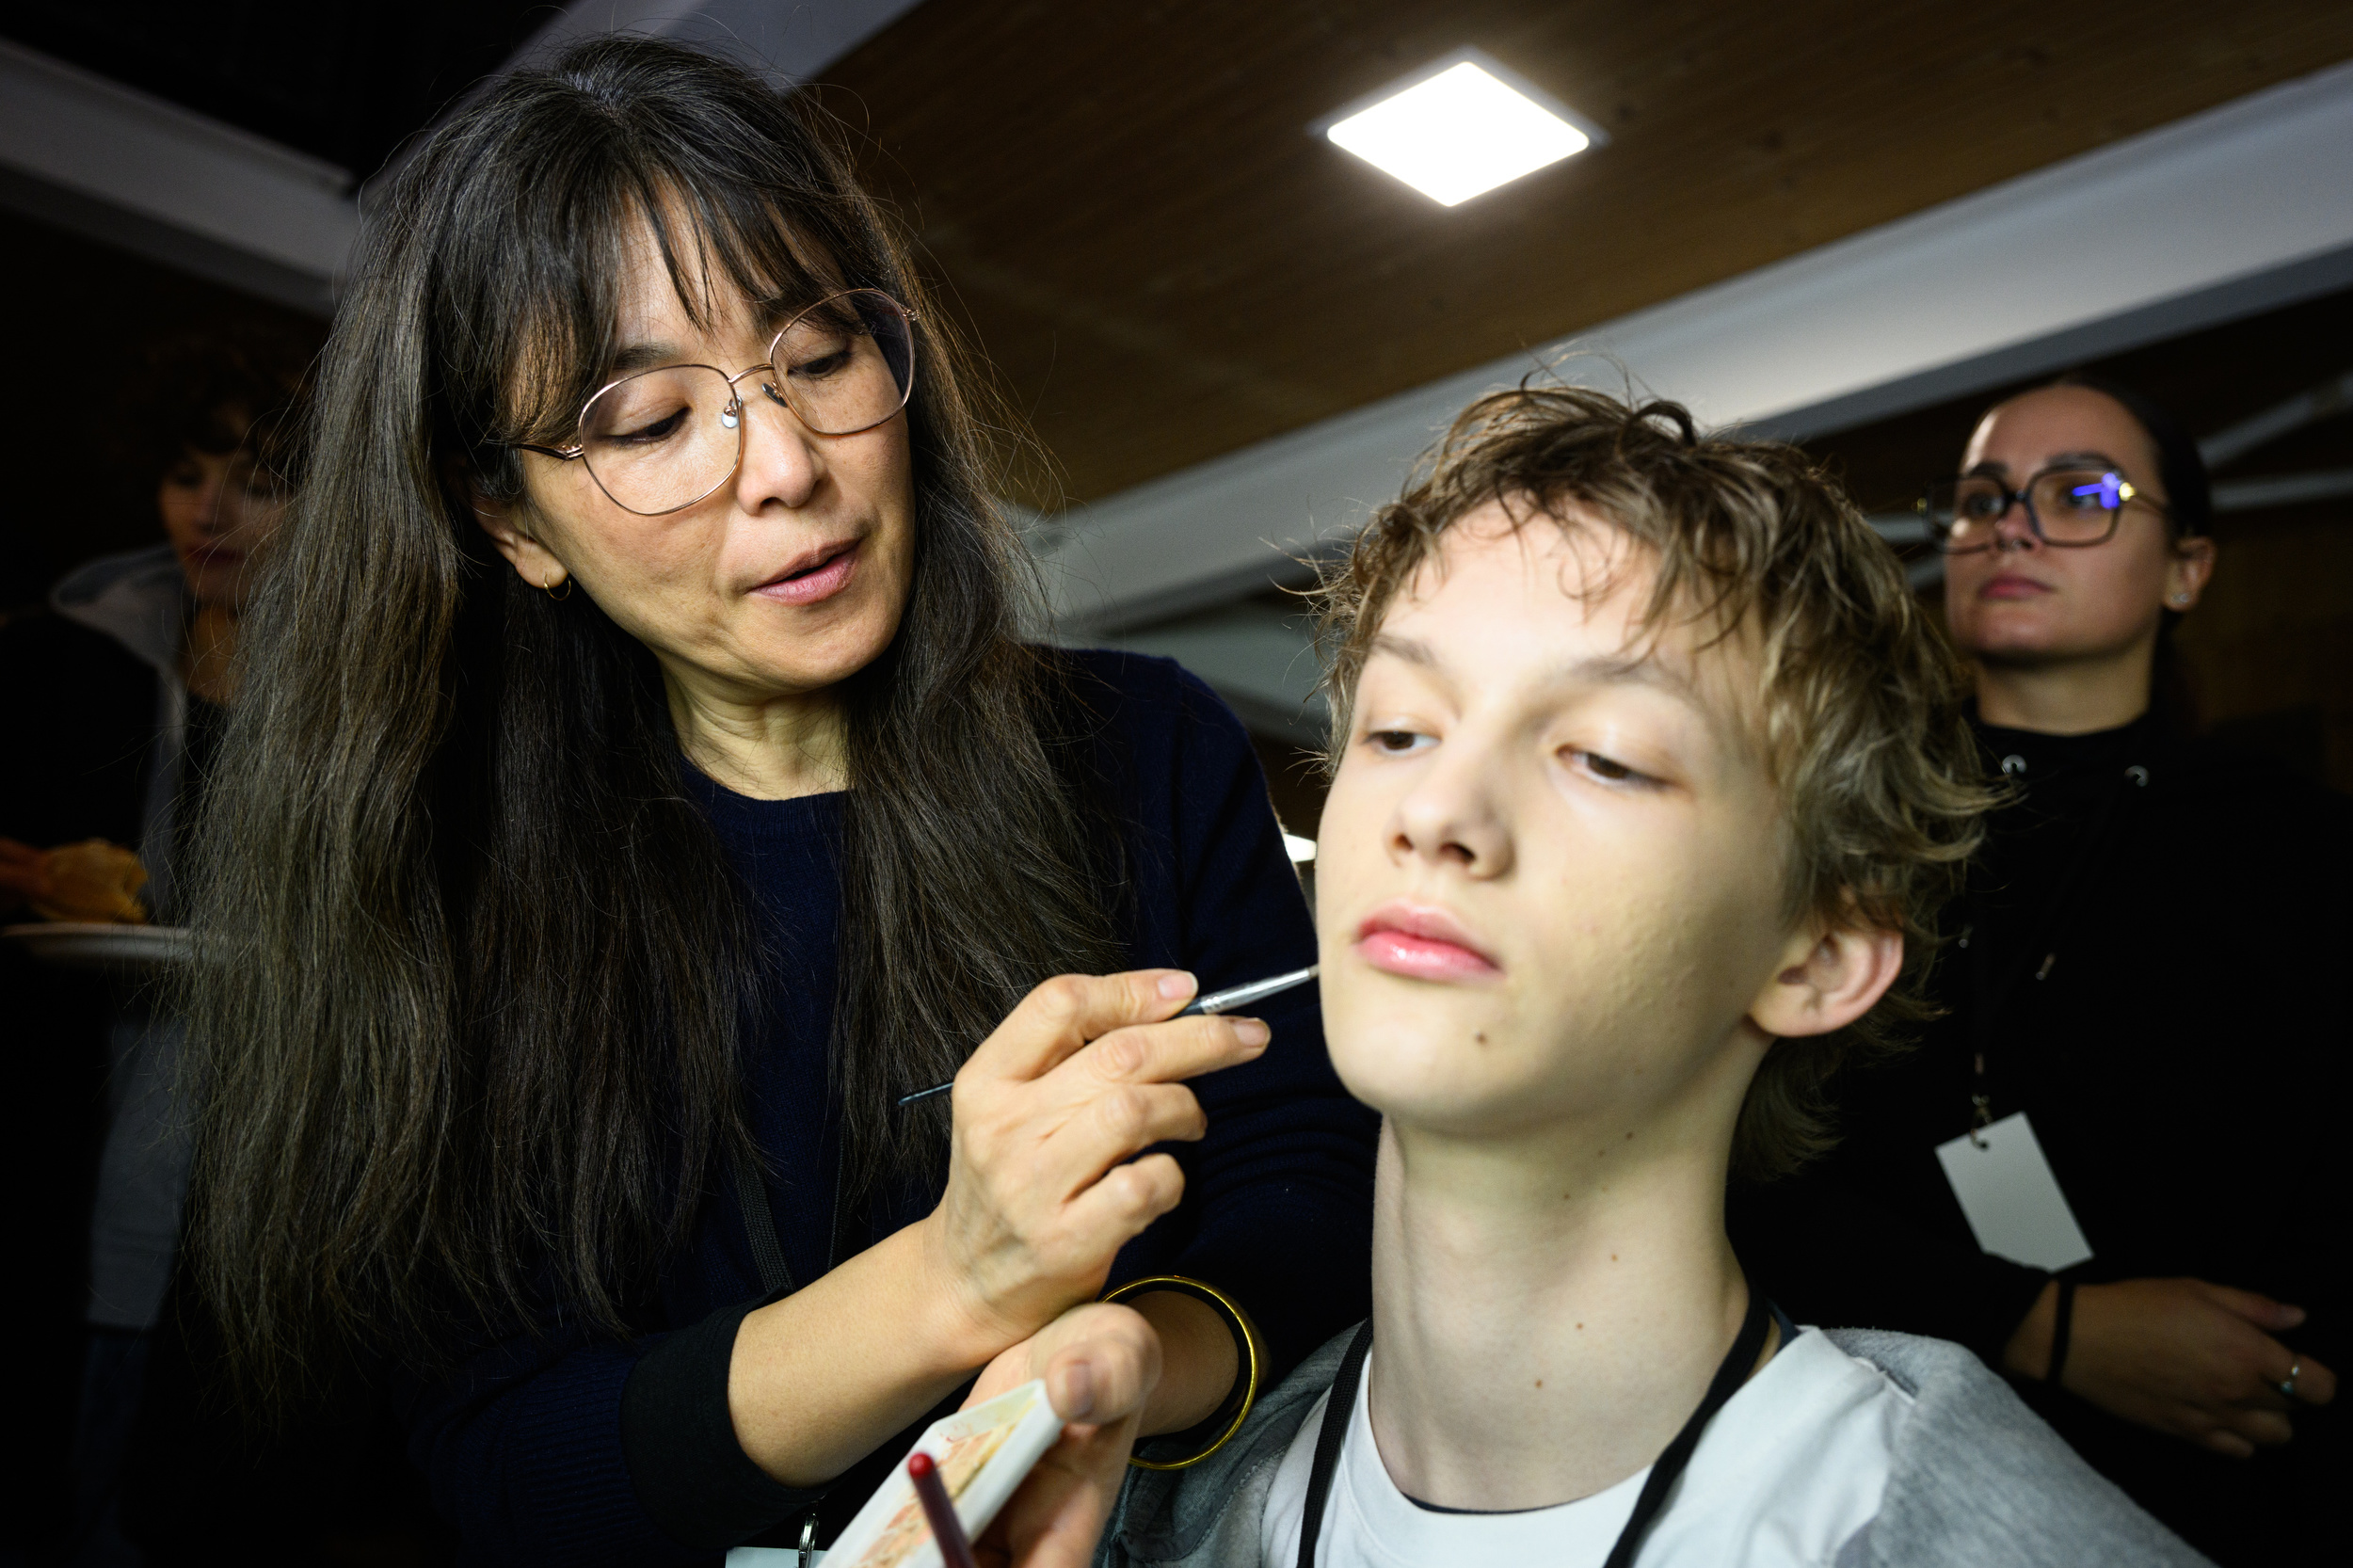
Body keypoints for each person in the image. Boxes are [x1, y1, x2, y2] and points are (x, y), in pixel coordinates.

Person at [171, 36, 1375, 1568]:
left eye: (818, 357)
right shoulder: (440, 877)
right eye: (652, 423)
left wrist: (1121, 1358)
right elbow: (498, 1457)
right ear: (510, 520)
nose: (789, 465)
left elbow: (1310, 1179)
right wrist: (954, 1280)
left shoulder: (1143, 748)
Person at [1096, 386, 2207, 1568]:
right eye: (1401, 730)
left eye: (1605, 758)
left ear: (1820, 959)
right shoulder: (1124, 1493)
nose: (1434, 812)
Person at [1729, 376, 2346, 1564]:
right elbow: (1729, 1159)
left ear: (2188, 568)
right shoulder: (1834, 826)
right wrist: (2034, 1321)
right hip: (1847, 1470)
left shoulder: (2304, 848)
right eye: (1979, 498)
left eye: (2079, 494)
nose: (2010, 524)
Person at [0, 322, 309, 1560]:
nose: (214, 509)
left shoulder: (352, 706)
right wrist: (32, 872)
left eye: (259, 479)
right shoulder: (66, 657)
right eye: (190, 474)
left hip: (245, 1205)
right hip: (60, 1156)